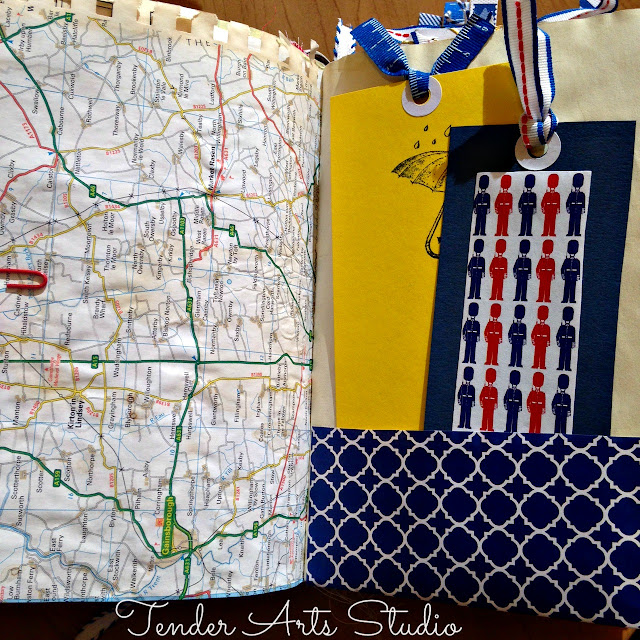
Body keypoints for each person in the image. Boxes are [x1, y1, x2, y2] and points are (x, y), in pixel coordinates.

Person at [557, 307, 576, 371]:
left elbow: (573, 336)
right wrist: (558, 341)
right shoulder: (561, 327)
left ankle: (567, 367)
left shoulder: (572, 328)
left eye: (568, 321)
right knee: (562, 355)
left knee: (568, 356)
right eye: (566, 321)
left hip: (569, 342)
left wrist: (573, 343)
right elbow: (558, 335)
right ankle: (561, 367)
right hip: (563, 342)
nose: (567, 322)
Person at [561, 240, 580, 304]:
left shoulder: (577, 261)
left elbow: (578, 269)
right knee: (566, 288)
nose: (572, 255)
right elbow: (562, 268)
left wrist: (578, 275)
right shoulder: (566, 260)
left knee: (573, 288)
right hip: (567, 275)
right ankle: (565, 299)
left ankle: (572, 299)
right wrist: (563, 274)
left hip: (573, 275)